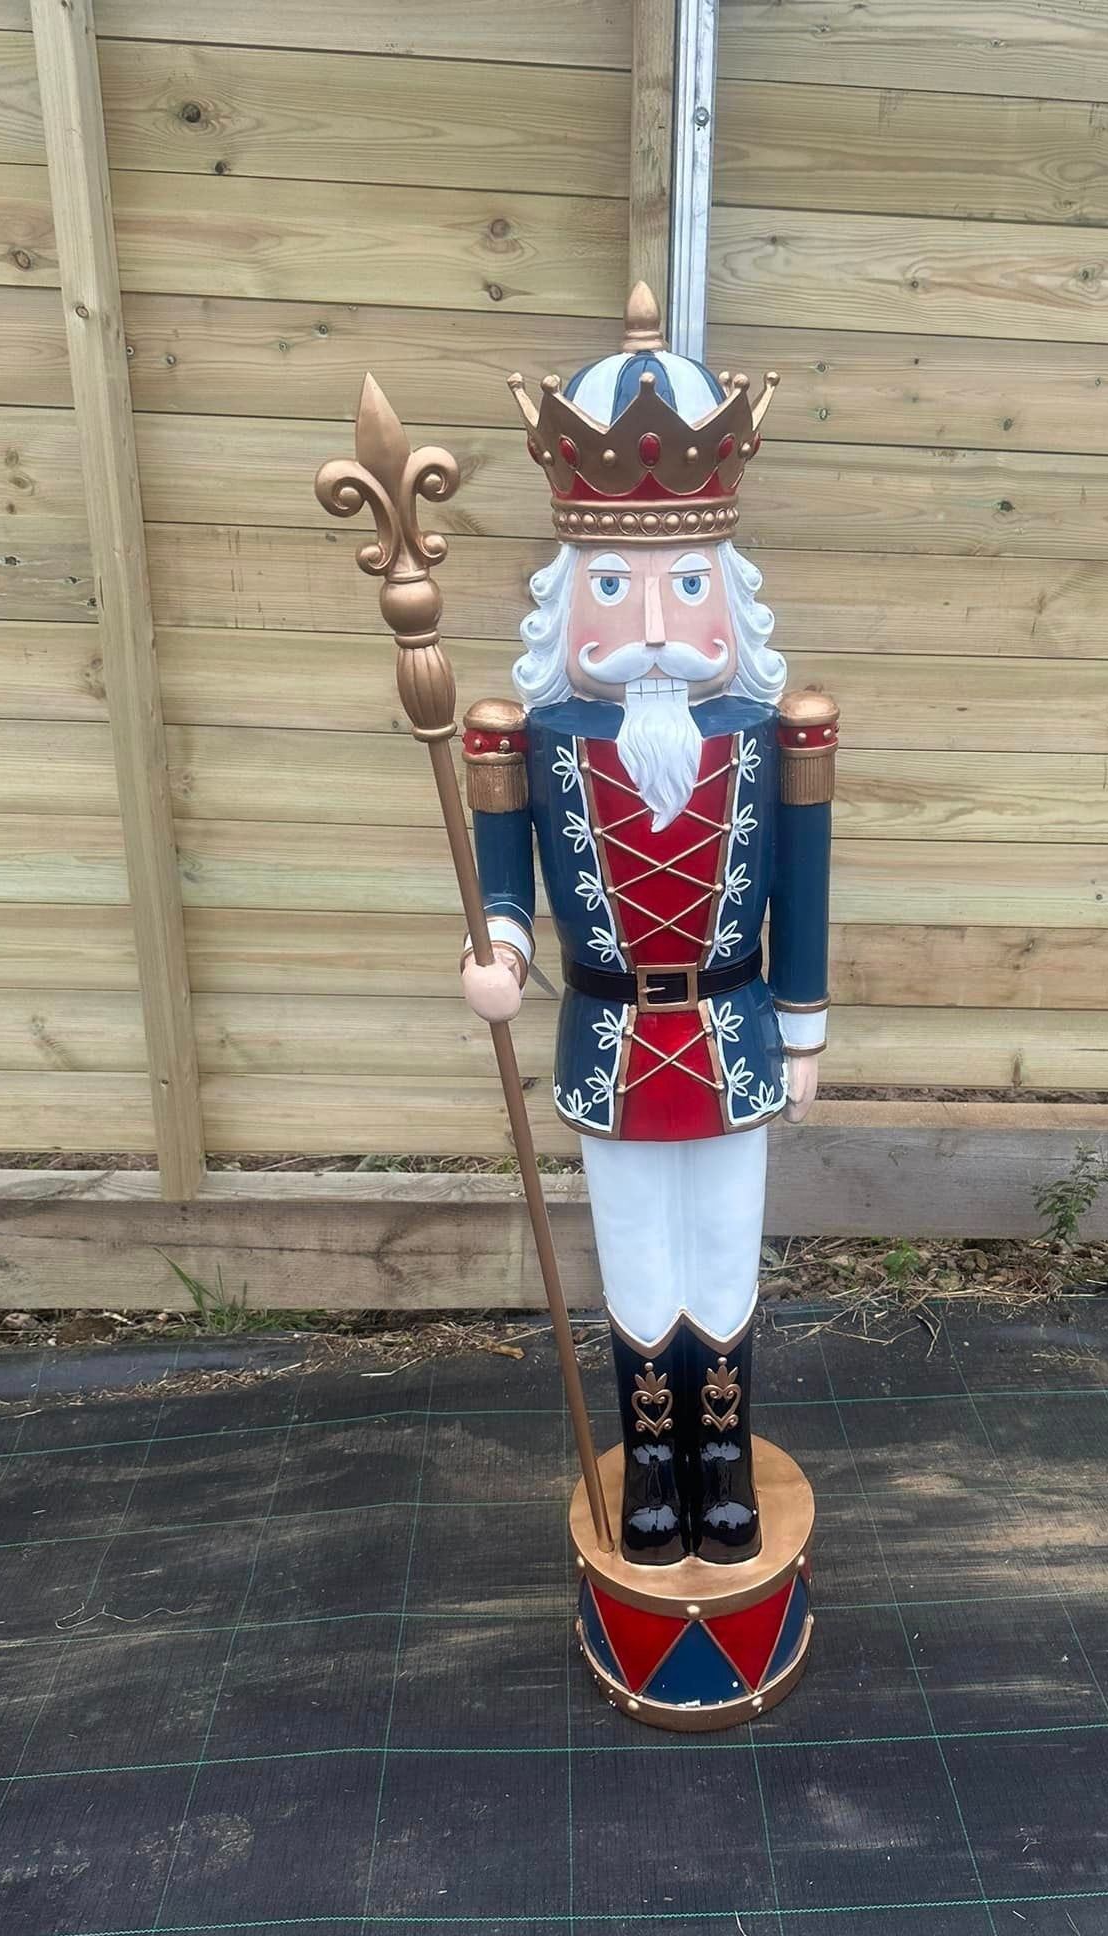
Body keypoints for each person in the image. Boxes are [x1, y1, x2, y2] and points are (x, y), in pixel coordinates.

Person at [458, 283, 837, 1567]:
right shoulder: (533, 738)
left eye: (684, 583)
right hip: (610, 1041)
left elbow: (808, 888)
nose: (658, 628)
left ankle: (719, 1456)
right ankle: (651, 1460)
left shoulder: (772, 740)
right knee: (632, 1254)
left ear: (730, 591)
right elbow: (502, 885)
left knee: (726, 1251)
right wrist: (501, 953)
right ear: (570, 598)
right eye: (617, 585)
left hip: (730, 1029)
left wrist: (803, 1025)